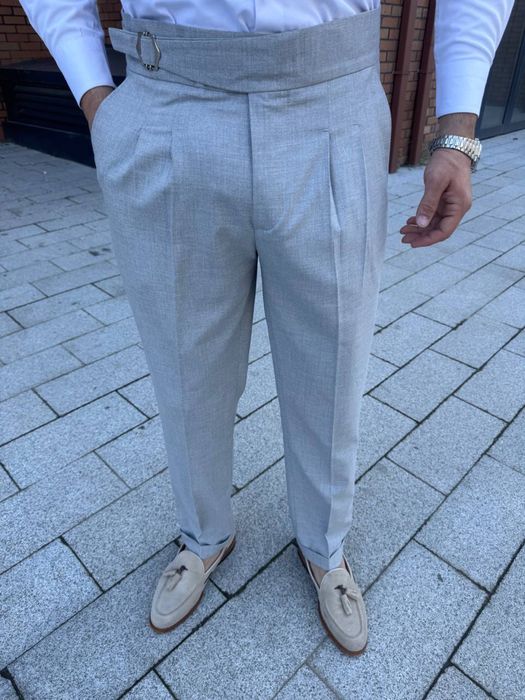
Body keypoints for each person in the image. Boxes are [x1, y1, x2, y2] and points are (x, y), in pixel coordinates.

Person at [20, 0, 515, 656]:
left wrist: (456, 130)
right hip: (167, 100)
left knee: (332, 361)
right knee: (184, 364)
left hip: (331, 101)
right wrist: (94, 96)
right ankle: (202, 534)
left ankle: (325, 546)